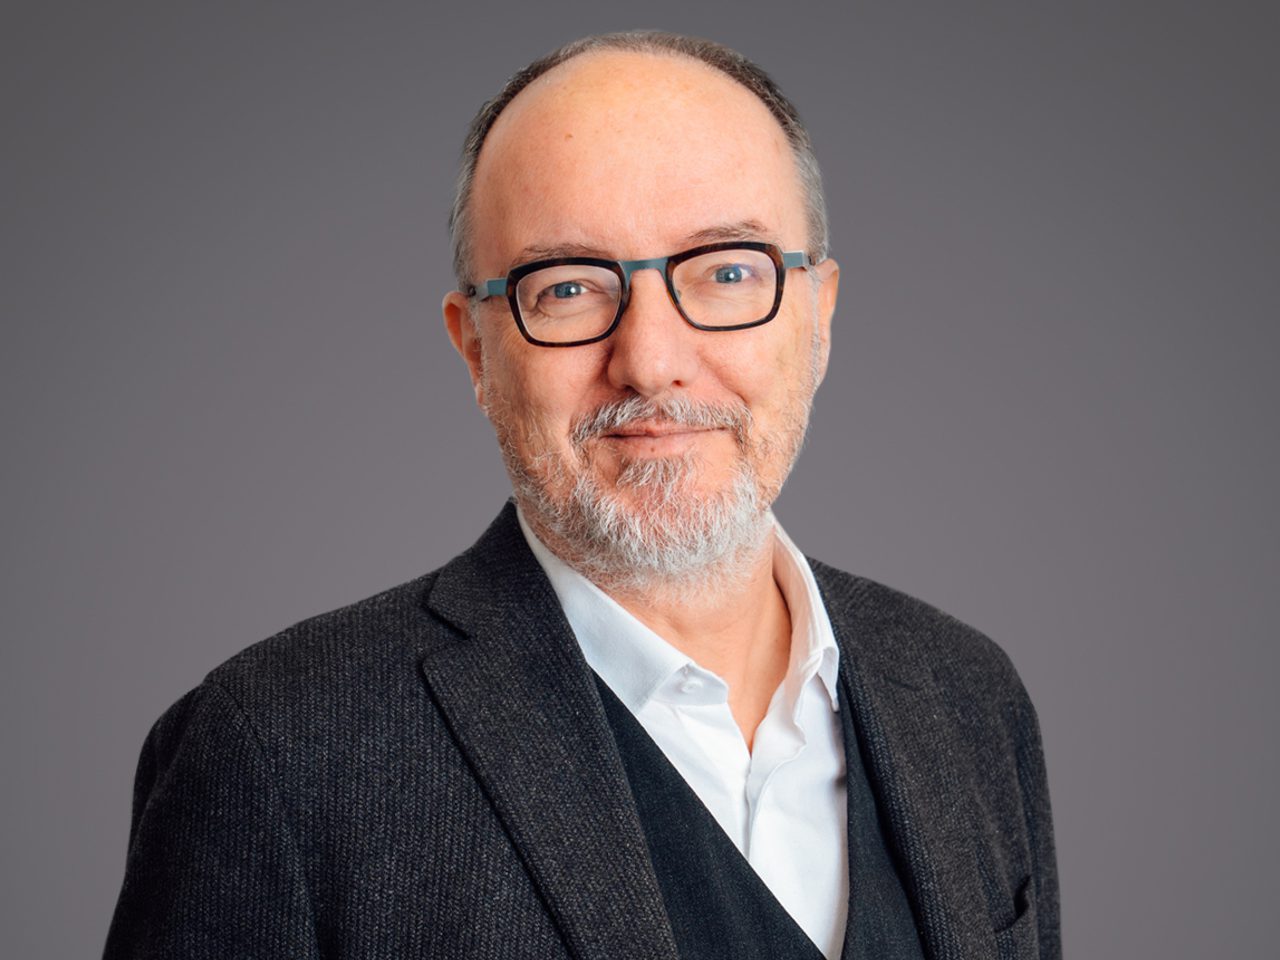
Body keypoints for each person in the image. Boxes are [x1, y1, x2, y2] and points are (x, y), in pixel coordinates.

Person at [103, 31, 1059, 960]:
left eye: (727, 271)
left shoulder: (966, 696)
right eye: (567, 288)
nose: (650, 361)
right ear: (475, 347)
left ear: (819, 314)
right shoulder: (275, 751)